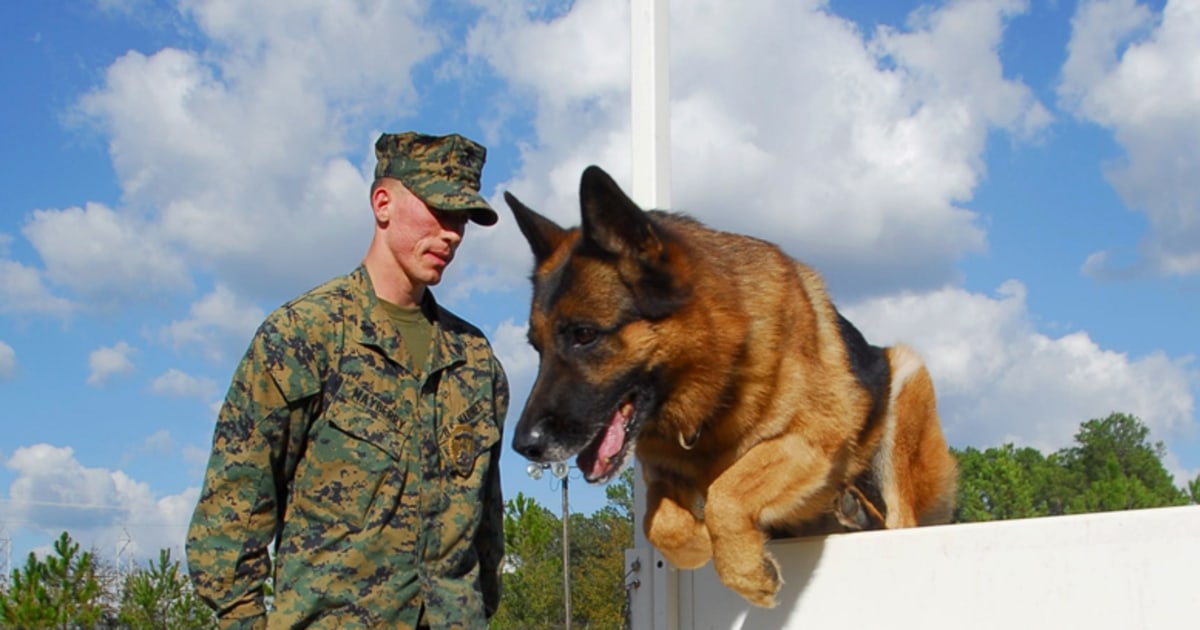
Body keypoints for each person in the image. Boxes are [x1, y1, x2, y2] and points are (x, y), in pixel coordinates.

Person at [186, 131, 509, 629]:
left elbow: (486, 534)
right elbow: (231, 516)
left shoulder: (473, 360)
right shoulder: (303, 336)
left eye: (462, 219)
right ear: (384, 203)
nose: (452, 234)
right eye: (439, 211)